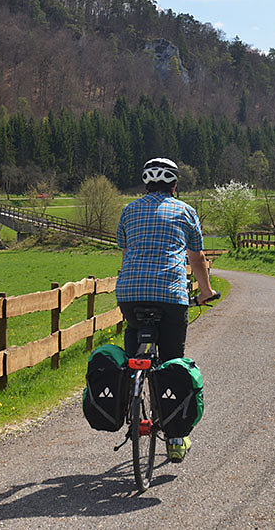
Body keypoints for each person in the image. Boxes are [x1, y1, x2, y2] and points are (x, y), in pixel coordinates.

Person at [116, 157, 216, 463]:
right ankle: (175, 439)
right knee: (172, 361)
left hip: (130, 295)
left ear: (146, 184)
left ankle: (130, 397)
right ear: (174, 184)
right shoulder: (185, 211)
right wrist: (206, 291)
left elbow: (125, 248)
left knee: (134, 353)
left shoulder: (129, 210)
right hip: (171, 296)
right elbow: (196, 258)